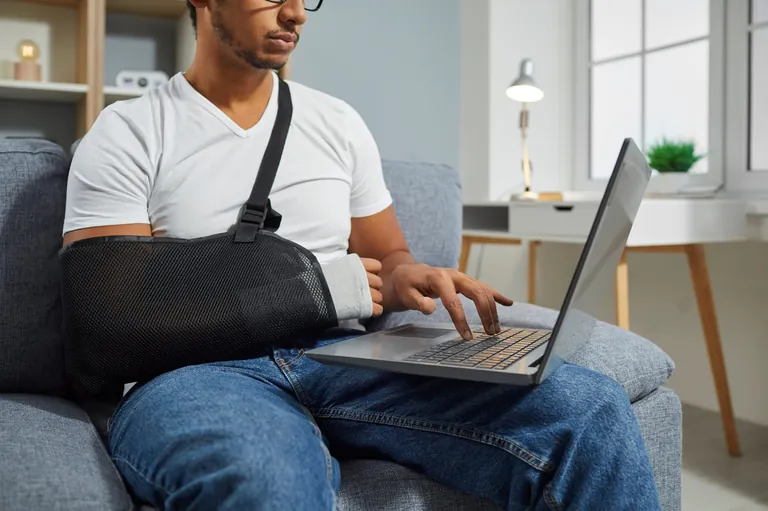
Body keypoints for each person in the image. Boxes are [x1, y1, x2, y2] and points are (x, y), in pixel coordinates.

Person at [62, 1, 662, 509]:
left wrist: (407, 277)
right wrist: (312, 291)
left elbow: (387, 256)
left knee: (588, 407)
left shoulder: (336, 123)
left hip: (343, 356)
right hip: (198, 376)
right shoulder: (130, 130)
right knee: (265, 479)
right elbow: (109, 317)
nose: (295, 13)